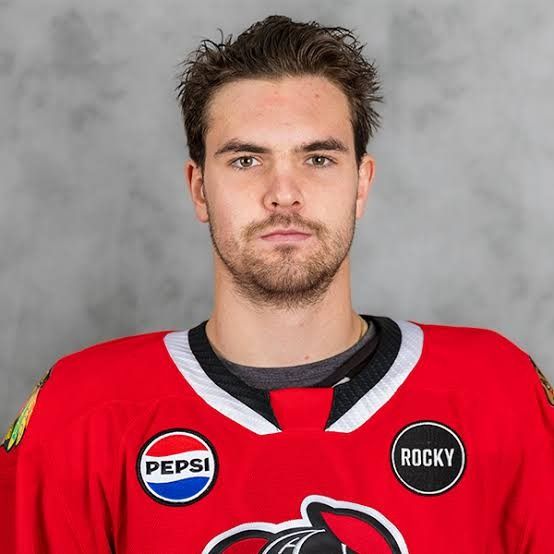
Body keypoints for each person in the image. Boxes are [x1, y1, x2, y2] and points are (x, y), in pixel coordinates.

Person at [1, 14, 553, 553]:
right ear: (199, 189)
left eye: (318, 158)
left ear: (361, 183)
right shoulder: (82, 414)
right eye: (246, 160)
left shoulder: (497, 396)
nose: (283, 193)